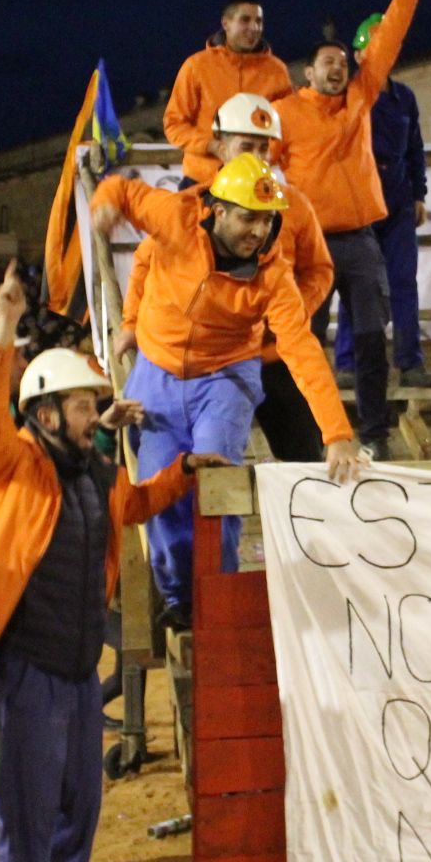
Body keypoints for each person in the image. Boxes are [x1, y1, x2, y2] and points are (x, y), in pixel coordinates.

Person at [0, 264, 216, 862]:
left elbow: (133, 505)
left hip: (74, 666)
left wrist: (187, 468)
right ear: (44, 413)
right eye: (81, 405)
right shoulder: (15, 465)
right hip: (26, 663)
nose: (94, 414)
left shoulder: (92, 472)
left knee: (79, 796)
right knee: (27, 800)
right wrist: (6, 327)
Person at [90, 153, 361, 627]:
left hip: (227, 375)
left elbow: (301, 347)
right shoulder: (174, 215)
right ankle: (179, 601)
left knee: (218, 482)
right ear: (217, 210)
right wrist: (104, 205)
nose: (258, 231)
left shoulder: (274, 274)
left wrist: (336, 432)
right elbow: (120, 190)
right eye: (248, 218)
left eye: (267, 220)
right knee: (160, 486)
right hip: (156, 373)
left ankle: (221, 594)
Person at [274, 0, 431, 457]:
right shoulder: (285, 114)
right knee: (308, 344)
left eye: (343, 64)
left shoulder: (362, 98)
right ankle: (314, 434)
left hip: (362, 242)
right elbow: (255, 163)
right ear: (308, 73)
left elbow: (385, 43)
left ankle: (375, 433)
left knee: (369, 340)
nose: (338, 70)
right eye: (328, 64)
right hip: (311, 244)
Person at [118, 92, 335, 463]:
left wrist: (289, 309)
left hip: (273, 354)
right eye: (246, 145)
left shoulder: (294, 203)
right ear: (219, 145)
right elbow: (146, 264)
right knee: (154, 459)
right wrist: (131, 323)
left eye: (264, 148)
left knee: (305, 458)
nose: (257, 156)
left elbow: (319, 270)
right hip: (200, 363)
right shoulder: (192, 207)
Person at [334, 12, 431, 389]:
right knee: (357, 282)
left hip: (396, 198)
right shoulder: (349, 95)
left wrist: (419, 193)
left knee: (402, 282)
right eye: (374, 49)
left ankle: (410, 363)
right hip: (360, 201)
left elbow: (415, 148)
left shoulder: (404, 98)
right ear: (360, 57)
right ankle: (348, 363)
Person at [164, 0, 294, 187]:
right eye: (245, 20)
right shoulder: (197, 66)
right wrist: (212, 146)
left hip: (255, 181)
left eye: (258, 21)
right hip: (202, 181)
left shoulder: (277, 70)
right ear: (226, 23)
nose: (254, 27)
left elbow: (288, 126)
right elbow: (174, 124)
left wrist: (261, 155)